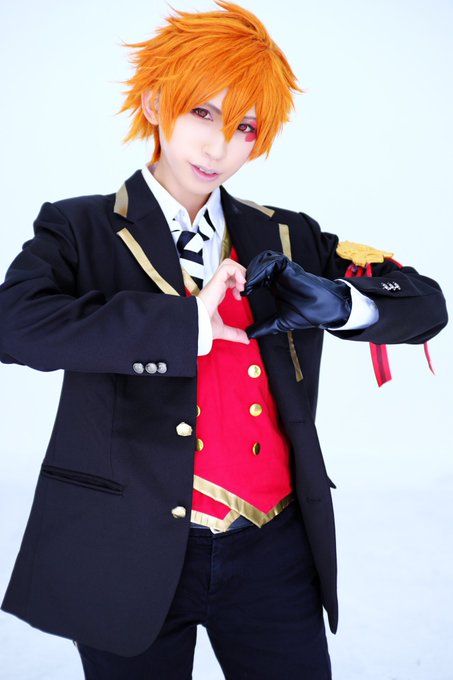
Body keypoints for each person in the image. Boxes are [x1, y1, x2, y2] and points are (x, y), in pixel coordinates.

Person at [0, 2, 447, 678]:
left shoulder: (287, 234)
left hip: (274, 551)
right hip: (126, 546)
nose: (219, 148)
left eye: (244, 127)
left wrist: (343, 304)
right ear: (155, 102)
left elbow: (425, 305)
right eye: (202, 113)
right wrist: (184, 325)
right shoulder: (79, 228)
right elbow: (15, 325)